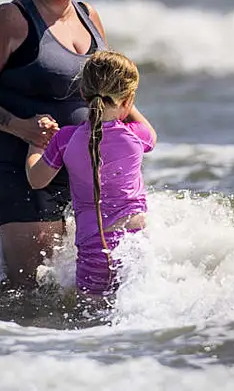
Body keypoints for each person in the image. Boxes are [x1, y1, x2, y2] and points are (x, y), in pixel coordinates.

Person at [0, 0, 148, 288]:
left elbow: (105, 86)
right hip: (17, 161)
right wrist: (21, 127)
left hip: (78, 165)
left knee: (80, 278)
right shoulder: (10, 19)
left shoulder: (89, 17)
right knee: (30, 288)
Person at [25, 51, 156, 301]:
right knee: (135, 310)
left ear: (83, 94)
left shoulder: (65, 139)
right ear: (127, 99)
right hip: (135, 247)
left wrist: (36, 143)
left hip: (94, 252)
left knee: (91, 324)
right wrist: (126, 103)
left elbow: (36, 179)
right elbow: (151, 134)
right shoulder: (136, 136)